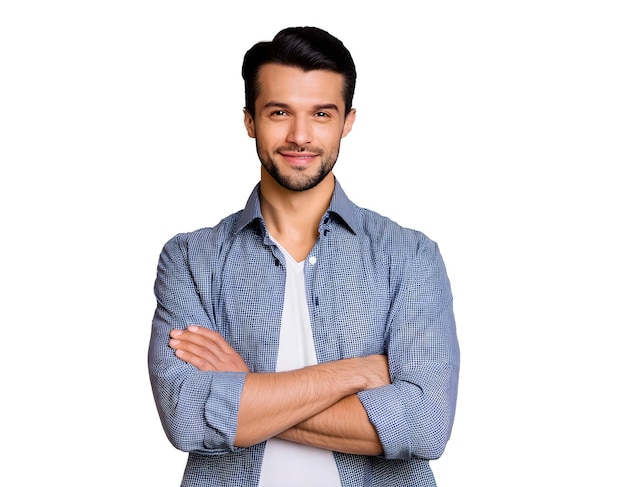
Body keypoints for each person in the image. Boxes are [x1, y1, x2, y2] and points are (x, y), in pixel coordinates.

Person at [148, 26, 460, 487]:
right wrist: (355, 373)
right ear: (250, 120)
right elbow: (188, 417)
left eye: (320, 113)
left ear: (347, 122)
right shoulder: (191, 259)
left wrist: (246, 388)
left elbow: (425, 425)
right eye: (279, 112)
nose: (300, 135)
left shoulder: (410, 256)